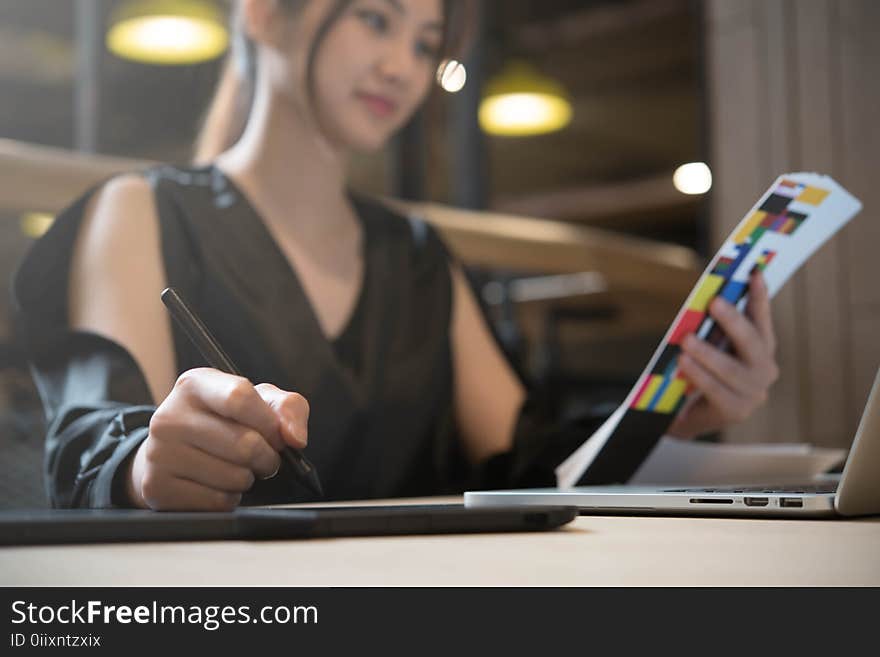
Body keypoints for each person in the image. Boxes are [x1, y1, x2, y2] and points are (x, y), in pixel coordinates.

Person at [12, 0, 780, 511]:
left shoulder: (418, 257)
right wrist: (147, 466)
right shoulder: (141, 210)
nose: (403, 67)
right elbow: (90, 442)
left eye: (423, 42)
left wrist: (664, 414)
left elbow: (525, 459)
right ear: (262, 12)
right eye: (375, 19)